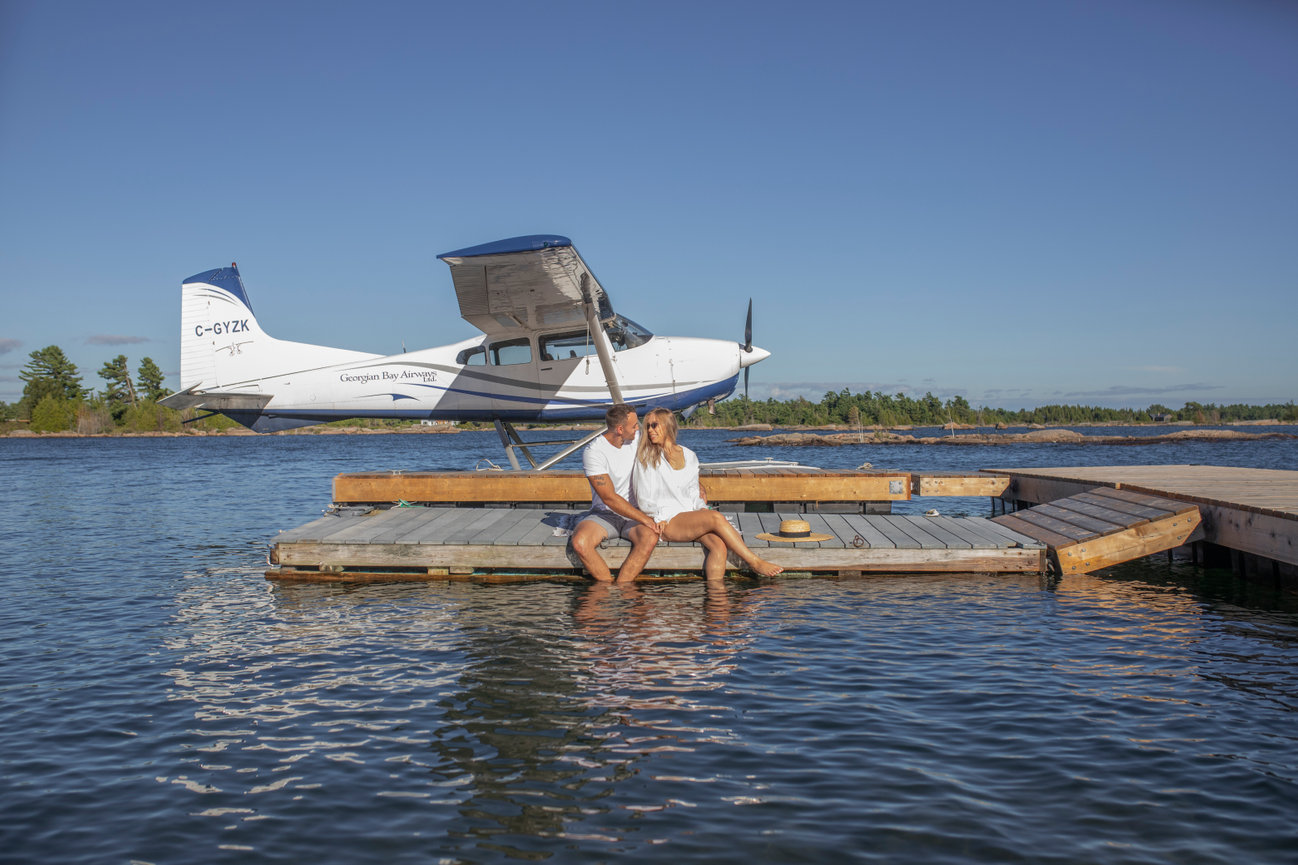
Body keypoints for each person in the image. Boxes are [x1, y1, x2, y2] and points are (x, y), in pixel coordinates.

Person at [632, 407, 783, 579]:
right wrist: (659, 518)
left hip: (691, 516)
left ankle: (716, 600)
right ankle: (754, 562)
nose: (650, 430)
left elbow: (693, 491)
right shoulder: (646, 456)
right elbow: (643, 497)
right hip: (666, 521)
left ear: (667, 426)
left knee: (718, 546)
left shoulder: (689, 456)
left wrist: (701, 508)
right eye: (647, 427)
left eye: (654, 425)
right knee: (715, 517)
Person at [570, 404, 661, 582]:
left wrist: (696, 482)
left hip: (636, 511)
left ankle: (622, 587)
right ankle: (607, 588)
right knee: (580, 542)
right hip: (605, 514)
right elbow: (608, 498)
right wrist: (646, 520)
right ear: (620, 429)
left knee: (649, 538)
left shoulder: (636, 439)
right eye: (634, 425)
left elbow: (668, 452)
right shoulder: (594, 452)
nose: (638, 429)